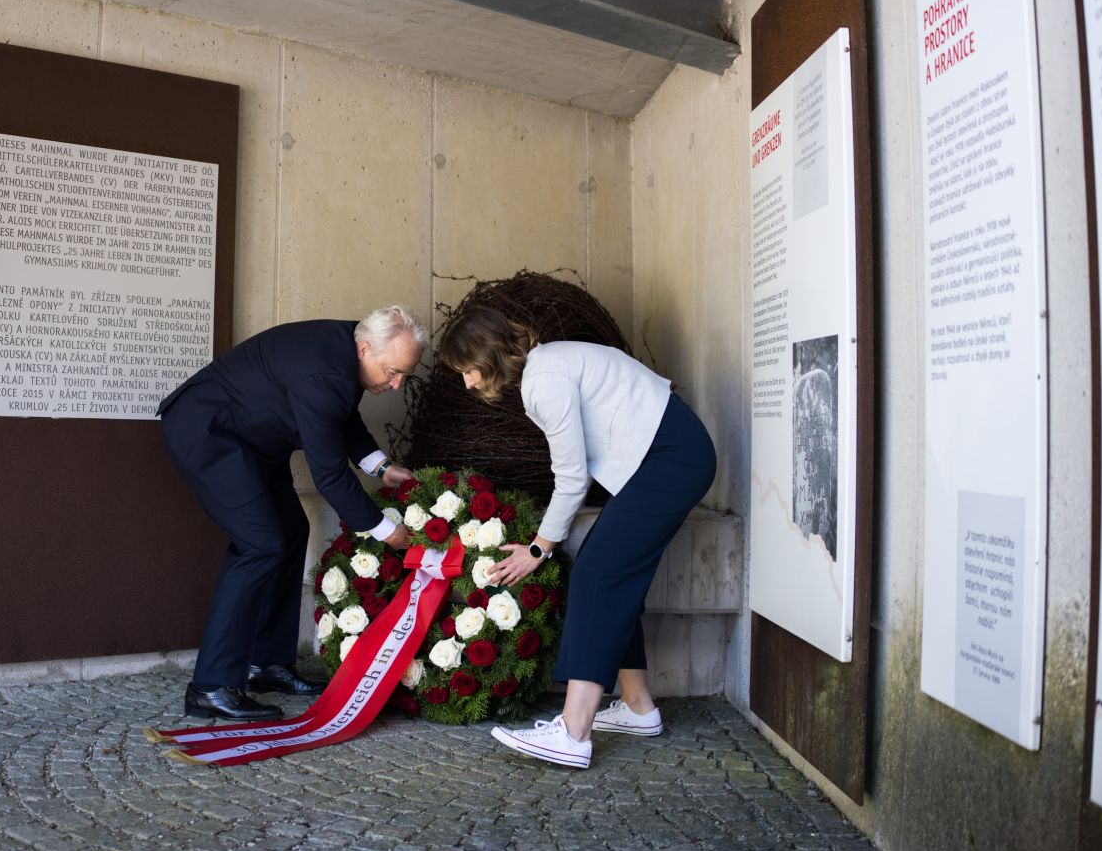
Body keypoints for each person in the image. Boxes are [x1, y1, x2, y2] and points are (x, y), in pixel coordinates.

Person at [438, 307, 715, 768]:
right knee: (610, 573)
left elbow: (570, 477)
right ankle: (638, 706)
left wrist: (537, 549)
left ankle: (573, 732)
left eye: (467, 370)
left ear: (487, 356)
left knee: (596, 575)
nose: (467, 383)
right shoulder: (551, 363)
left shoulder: (543, 381)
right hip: (670, 456)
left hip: (671, 459)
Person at [157, 306, 425, 720]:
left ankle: (266, 664)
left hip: (251, 443)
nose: (396, 384)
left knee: (291, 530)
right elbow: (330, 475)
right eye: (392, 372)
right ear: (366, 348)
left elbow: (341, 415)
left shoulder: (348, 349)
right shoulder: (325, 372)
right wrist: (387, 531)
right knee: (260, 544)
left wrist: (382, 467)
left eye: (405, 375)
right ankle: (210, 687)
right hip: (210, 433)